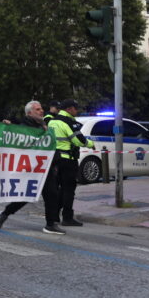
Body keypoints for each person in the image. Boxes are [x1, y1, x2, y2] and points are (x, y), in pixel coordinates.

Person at [0, 101, 53, 230]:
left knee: (51, 193)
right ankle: (6, 212)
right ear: (29, 113)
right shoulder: (23, 127)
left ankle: (50, 224)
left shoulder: (44, 126)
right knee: (26, 196)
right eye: (38, 109)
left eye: (41, 108)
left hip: (43, 167)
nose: (41, 111)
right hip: (28, 168)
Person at [46, 99, 93, 232]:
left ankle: (54, 217)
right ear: (69, 109)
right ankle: (67, 218)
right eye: (75, 108)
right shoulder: (69, 122)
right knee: (68, 190)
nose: (76, 111)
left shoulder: (52, 121)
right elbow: (79, 141)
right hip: (67, 160)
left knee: (56, 190)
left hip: (54, 160)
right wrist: (91, 144)